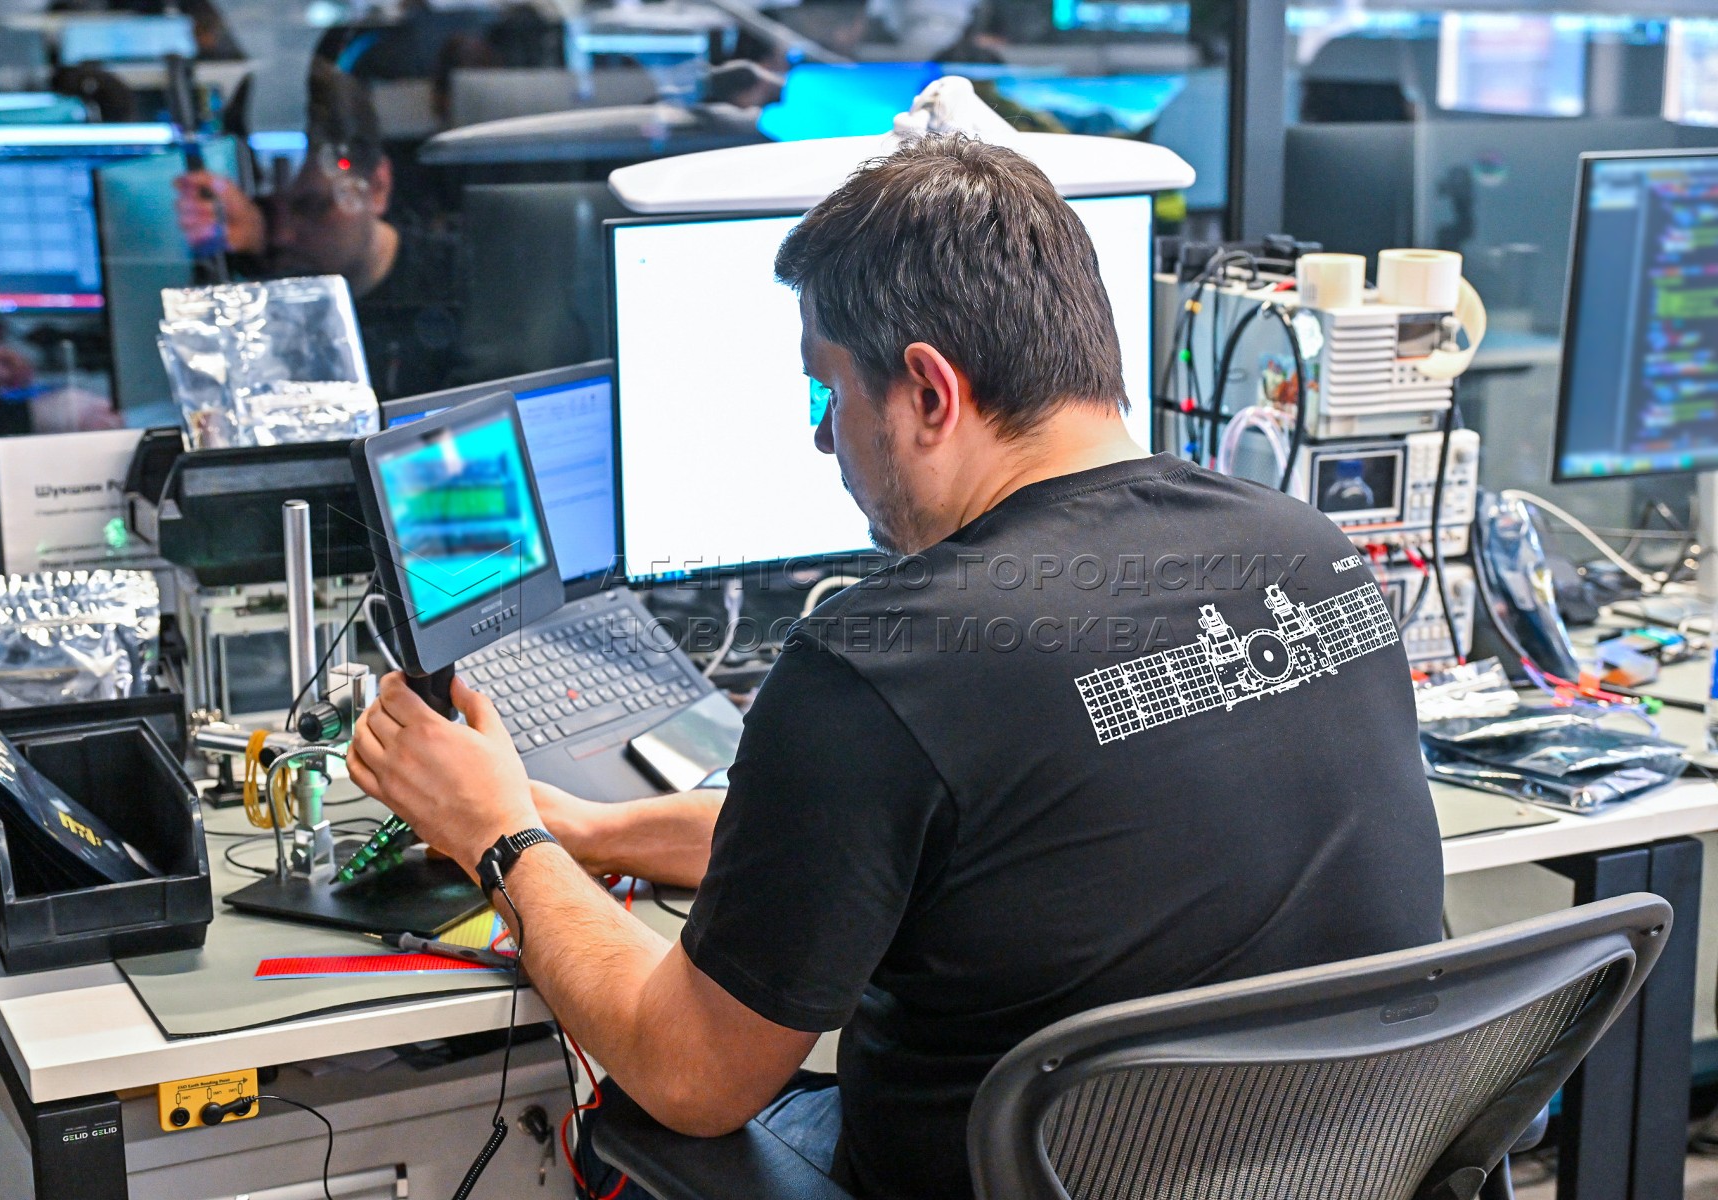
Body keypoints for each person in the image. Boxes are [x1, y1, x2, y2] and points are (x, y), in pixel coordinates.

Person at [345, 134, 1444, 1200]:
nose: (824, 440)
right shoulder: (1310, 554)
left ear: (928, 392)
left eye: (827, 393)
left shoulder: (883, 665)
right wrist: (587, 831)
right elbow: (902, 840)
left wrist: (503, 838)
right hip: (1315, 1170)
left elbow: (691, 1075)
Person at [174, 60, 463, 399]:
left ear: (377, 187)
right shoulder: (241, 285)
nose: (282, 235)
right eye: (265, 210)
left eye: (311, 207)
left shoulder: (461, 289)